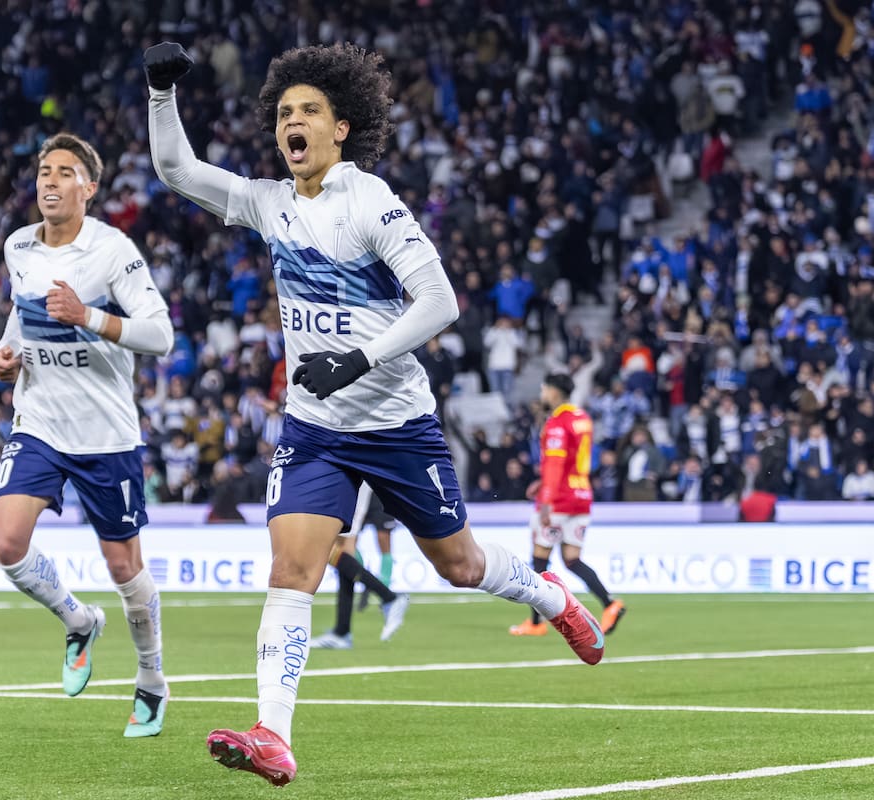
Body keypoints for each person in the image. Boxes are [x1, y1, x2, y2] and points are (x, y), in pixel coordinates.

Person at [145, 41, 605, 786]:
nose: (292, 122)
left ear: (341, 129)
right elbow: (176, 171)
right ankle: (273, 733)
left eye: (309, 111)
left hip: (396, 426)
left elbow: (441, 302)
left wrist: (360, 360)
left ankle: (552, 597)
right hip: (314, 430)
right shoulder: (268, 202)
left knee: (460, 565)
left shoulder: (371, 202)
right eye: (284, 112)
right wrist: (162, 92)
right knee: (292, 571)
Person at [0, 133, 175, 738]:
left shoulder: (112, 251)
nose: (50, 180)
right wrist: (6, 352)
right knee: (7, 542)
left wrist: (88, 317)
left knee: (124, 567)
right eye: (44, 170)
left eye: (65, 172)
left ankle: (151, 678)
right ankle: (76, 620)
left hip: (105, 433)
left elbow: (160, 335)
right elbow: (22, 310)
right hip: (39, 420)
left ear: (88, 189)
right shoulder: (20, 246)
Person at [511, 373, 626, 637]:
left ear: (553, 392)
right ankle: (610, 604)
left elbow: (554, 463)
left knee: (539, 560)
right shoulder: (581, 418)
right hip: (582, 496)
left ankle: (536, 623)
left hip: (560, 500)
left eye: (544, 388)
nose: (542, 393)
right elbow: (575, 459)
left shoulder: (556, 424)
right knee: (572, 560)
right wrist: (543, 483)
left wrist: (547, 500)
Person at [310, 482, 410, 649]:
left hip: (351, 478)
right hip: (343, 478)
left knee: (329, 549)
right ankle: (342, 632)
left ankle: (389, 597)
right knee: (343, 550)